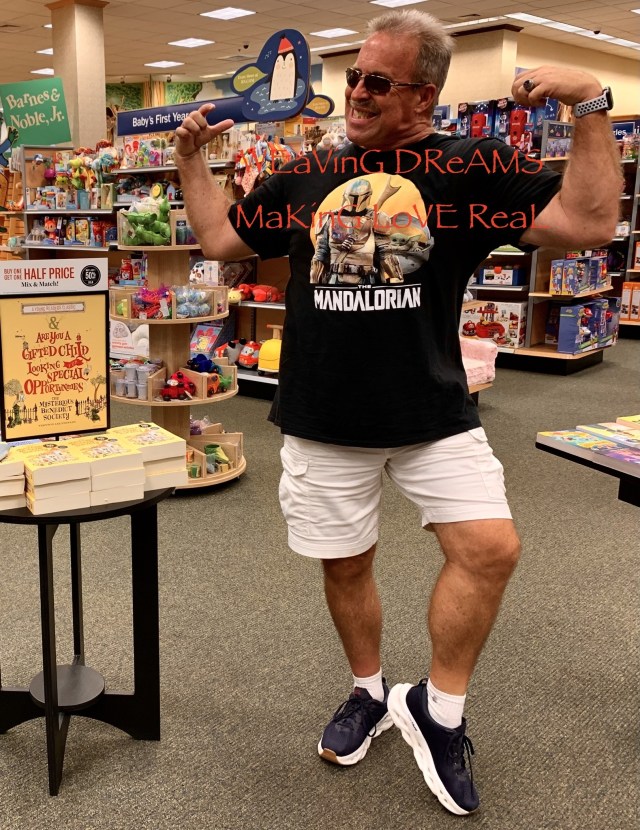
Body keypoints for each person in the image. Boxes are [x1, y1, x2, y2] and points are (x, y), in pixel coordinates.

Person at [175, 9, 621, 816]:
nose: (357, 91)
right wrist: (188, 160)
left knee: (490, 549)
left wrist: (590, 101)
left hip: (432, 408)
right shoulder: (309, 172)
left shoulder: (469, 165)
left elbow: (588, 223)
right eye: (354, 76)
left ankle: (437, 711)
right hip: (322, 412)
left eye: (378, 81)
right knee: (345, 565)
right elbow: (217, 240)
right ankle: (368, 691)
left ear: (423, 96)